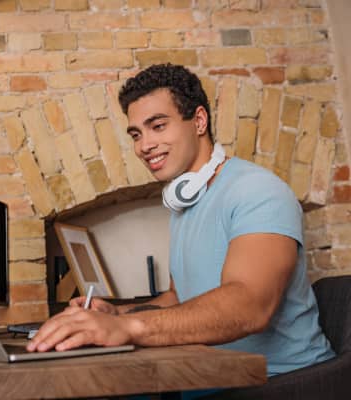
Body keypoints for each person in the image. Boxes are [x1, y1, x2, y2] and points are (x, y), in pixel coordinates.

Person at [26, 63, 334, 380]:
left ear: (199, 121)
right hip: (213, 374)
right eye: (136, 134)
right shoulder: (185, 202)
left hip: (285, 381)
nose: (144, 145)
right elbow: (178, 298)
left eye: (158, 126)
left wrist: (126, 327)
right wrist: (117, 312)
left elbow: (249, 306)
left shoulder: (257, 191)